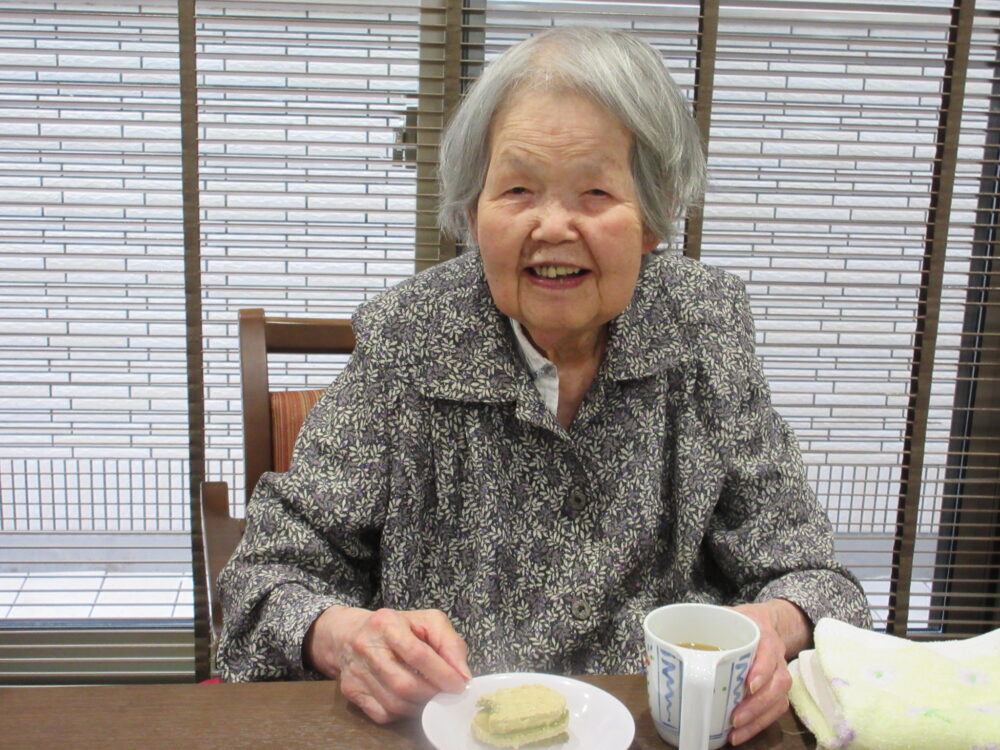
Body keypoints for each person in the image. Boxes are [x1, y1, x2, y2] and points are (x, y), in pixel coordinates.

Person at [217, 25, 871, 746]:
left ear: (652, 218)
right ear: (472, 212)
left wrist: (770, 630)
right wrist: (345, 638)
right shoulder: (409, 338)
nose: (552, 226)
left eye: (595, 191)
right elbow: (265, 577)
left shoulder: (704, 332)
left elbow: (813, 576)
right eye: (518, 189)